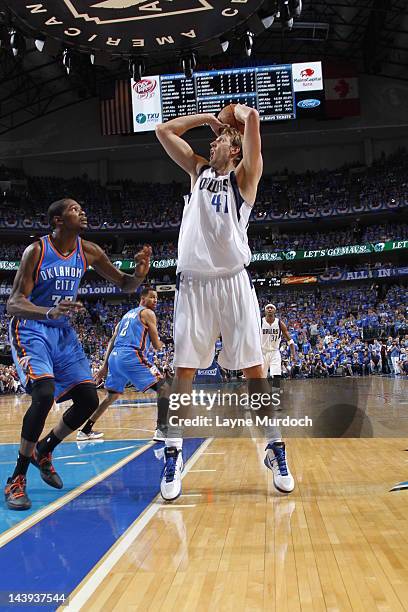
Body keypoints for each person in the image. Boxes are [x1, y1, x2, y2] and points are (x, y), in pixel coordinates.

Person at [156, 105, 295, 500]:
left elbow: (253, 121)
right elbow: (163, 132)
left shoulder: (245, 178)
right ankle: (173, 453)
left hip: (233, 283)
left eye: (218, 140)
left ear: (232, 151)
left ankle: (275, 449)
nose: (211, 143)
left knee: (254, 371)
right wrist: (204, 119)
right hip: (195, 285)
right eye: (211, 140)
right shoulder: (198, 172)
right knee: (183, 372)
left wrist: (235, 112)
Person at [5, 198, 151, 510]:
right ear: (57, 220)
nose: (81, 211)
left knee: (88, 399)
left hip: (62, 333)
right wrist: (49, 311)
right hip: (31, 327)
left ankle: (45, 450)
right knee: (43, 394)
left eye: (82, 208)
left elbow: (125, 284)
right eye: (73, 209)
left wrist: (138, 274)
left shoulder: (89, 251)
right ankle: (16, 478)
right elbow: (14, 303)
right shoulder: (37, 251)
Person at [78, 286, 170, 441]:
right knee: (165, 388)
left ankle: (85, 430)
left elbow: (112, 340)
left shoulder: (126, 315)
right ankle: (162, 430)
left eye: (157, 298)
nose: (155, 301)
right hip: (131, 355)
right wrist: (168, 342)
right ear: (143, 298)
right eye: (152, 297)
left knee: (112, 396)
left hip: (115, 357)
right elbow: (156, 345)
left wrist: (105, 366)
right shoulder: (148, 313)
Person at [261, 304, 296, 381]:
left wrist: (293, 354)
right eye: (268, 308)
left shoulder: (279, 323)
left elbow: (290, 340)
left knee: (276, 375)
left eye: (271, 308)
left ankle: (275, 392)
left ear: (275, 310)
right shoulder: (260, 322)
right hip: (262, 352)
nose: (270, 309)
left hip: (275, 351)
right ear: (265, 310)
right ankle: (261, 392)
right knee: (261, 377)